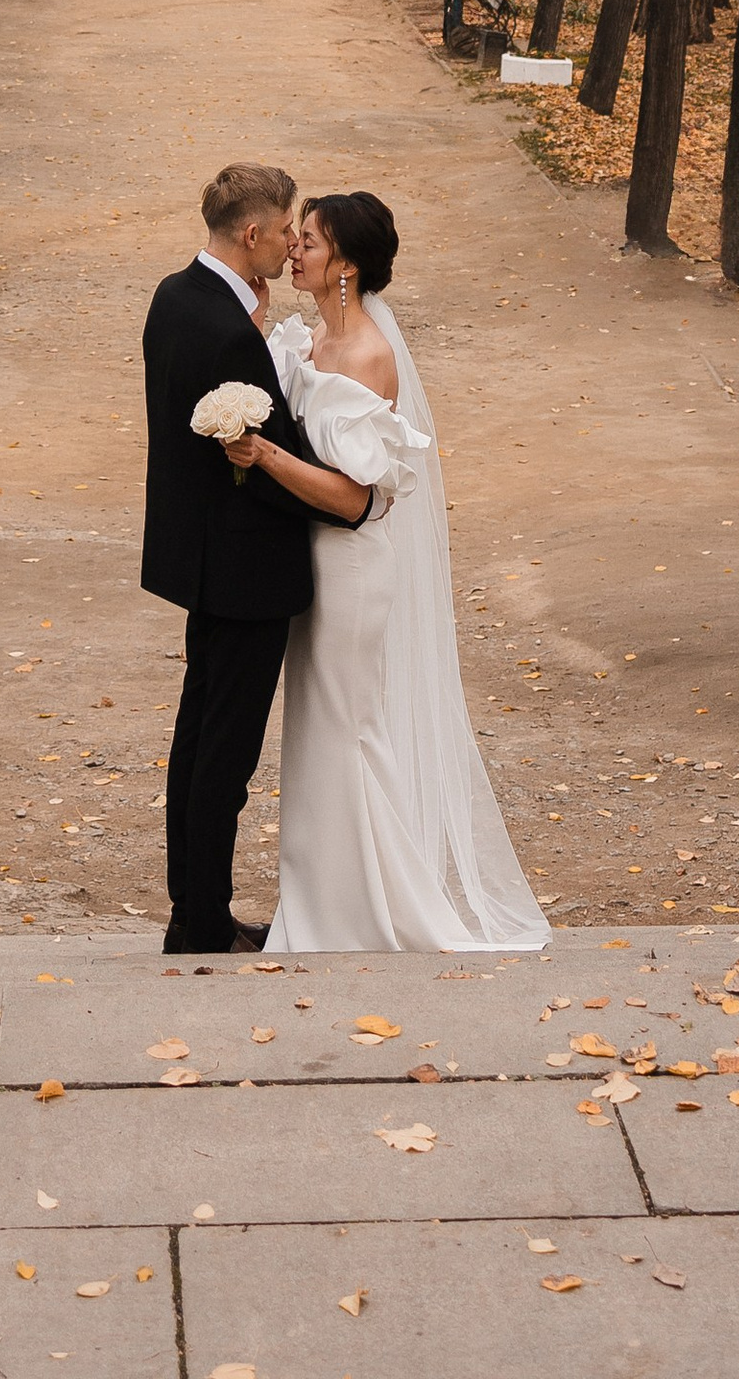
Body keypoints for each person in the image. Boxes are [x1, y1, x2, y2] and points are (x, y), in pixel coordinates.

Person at [225, 190, 548, 954]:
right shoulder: (309, 342)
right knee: (318, 734)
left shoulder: (369, 355)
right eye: (295, 237)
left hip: (352, 568)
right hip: (314, 564)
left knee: (347, 730)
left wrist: (264, 454)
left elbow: (353, 495)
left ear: (349, 264)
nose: (294, 249)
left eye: (309, 241)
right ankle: (324, 905)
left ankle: (372, 912)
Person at [141, 161, 371, 952]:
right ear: (251, 233)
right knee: (224, 760)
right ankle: (201, 922)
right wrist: (346, 500)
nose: (288, 244)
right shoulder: (227, 330)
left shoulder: (176, 298)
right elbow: (263, 458)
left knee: (197, 740)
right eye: (282, 232)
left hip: (199, 562)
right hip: (246, 576)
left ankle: (192, 909)